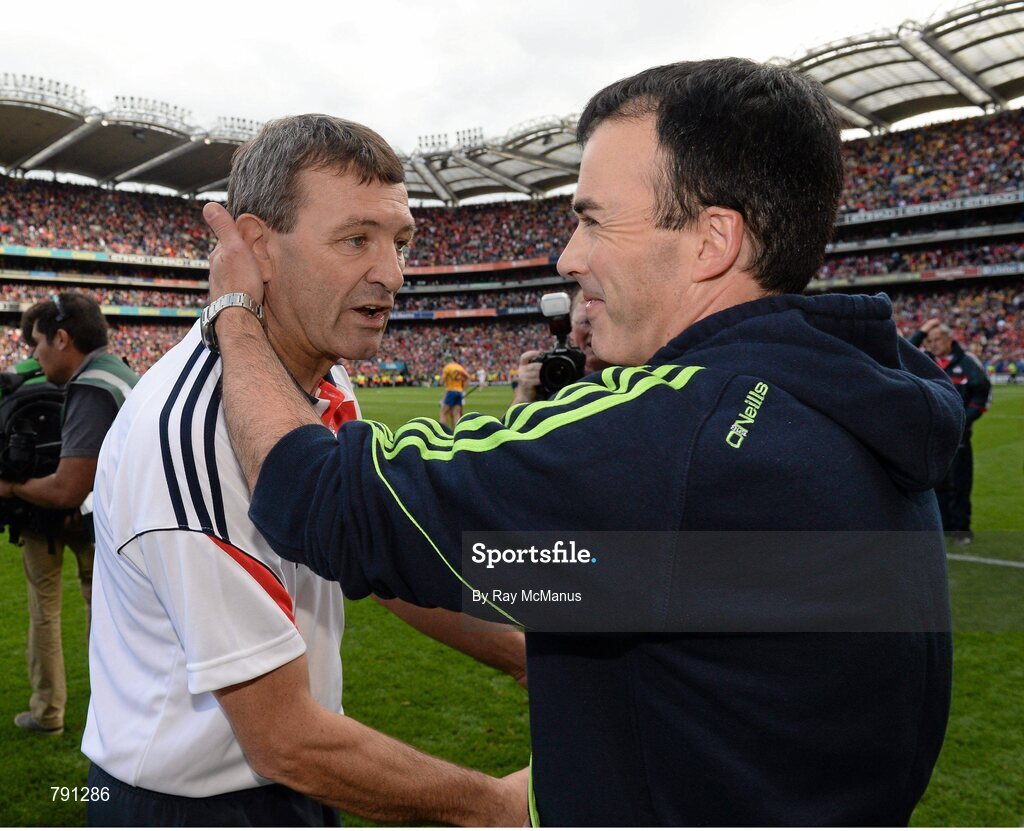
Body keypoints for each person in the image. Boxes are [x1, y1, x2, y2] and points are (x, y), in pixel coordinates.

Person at [203, 60, 964, 825]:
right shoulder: (865, 387)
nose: (569, 256)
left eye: (594, 219)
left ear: (712, 241)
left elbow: (321, 497)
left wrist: (235, 308)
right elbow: (618, 577)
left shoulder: (676, 436)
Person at [82, 114, 527, 826]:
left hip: (297, 779)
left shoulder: (325, 376)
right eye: (356, 239)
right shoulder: (194, 433)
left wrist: (522, 653)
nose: (392, 273)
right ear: (258, 248)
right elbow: (283, 736)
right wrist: (496, 806)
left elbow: (362, 546)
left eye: (399, 241)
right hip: (191, 805)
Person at [0, 292, 138, 737]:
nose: (35, 356)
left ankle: (54, 714)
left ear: (62, 338)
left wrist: (11, 486)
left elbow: (66, 488)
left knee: (50, 613)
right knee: (106, 614)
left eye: (39, 344)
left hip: (93, 520)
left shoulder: (91, 385)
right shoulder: (118, 372)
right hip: (110, 524)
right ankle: (115, 711)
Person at [910, 318, 991, 545]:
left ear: (949, 339)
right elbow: (902, 348)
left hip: (959, 438)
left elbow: (981, 393)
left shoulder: (967, 363)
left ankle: (961, 530)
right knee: (936, 484)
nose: (933, 344)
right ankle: (943, 528)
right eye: (929, 340)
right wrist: (921, 331)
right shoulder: (923, 361)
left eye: (937, 339)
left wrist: (963, 419)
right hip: (932, 438)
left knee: (960, 484)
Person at [512, 289, 611, 405]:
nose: (593, 332)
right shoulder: (550, 373)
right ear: (571, 328)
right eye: (586, 322)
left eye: (604, 322)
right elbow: (511, 424)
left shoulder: (633, 375)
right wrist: (523, 397)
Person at [439, 355, 470, 427]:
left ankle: (443, 431)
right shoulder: (459, 367)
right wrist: (464, 388)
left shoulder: (447, 367)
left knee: (443, 413)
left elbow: (442, 381)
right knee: (456, 413)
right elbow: (468, 377)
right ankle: (457, 431)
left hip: (451, 391)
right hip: (459, 392)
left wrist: (441, 382)